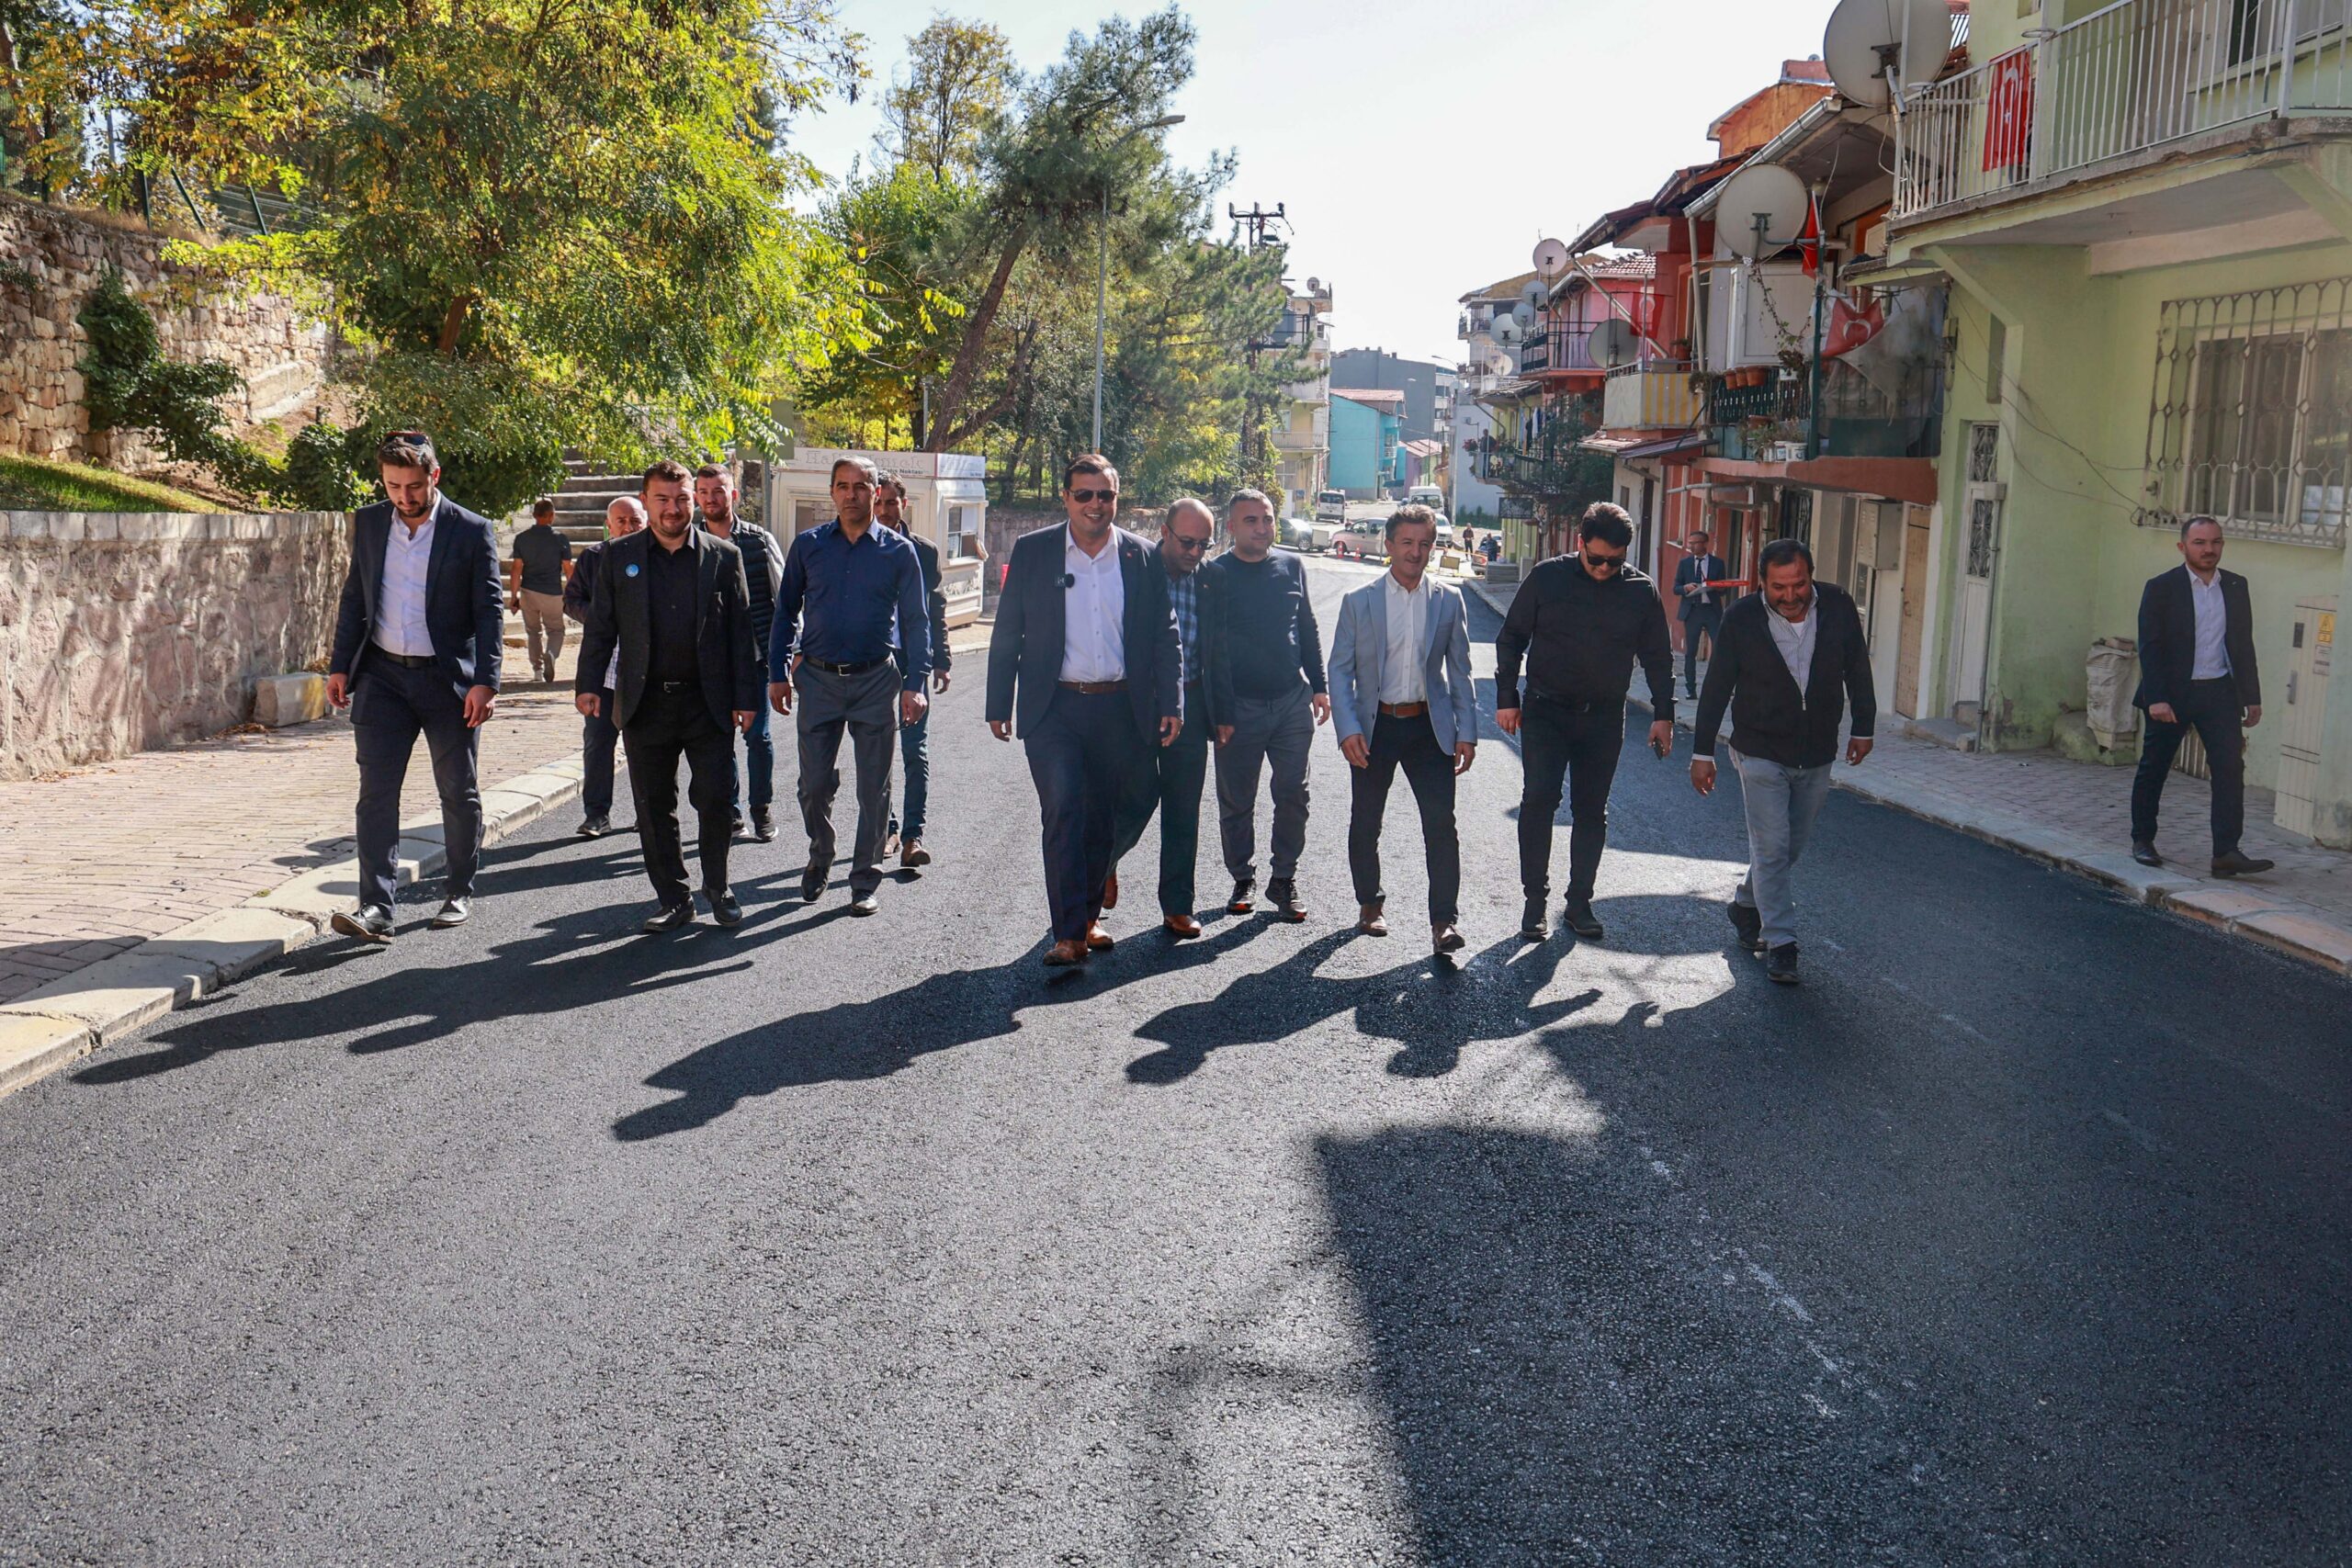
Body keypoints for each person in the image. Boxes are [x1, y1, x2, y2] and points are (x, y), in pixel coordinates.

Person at [985, 455, 1181, 966]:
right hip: (1054, 709)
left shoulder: (1141, 557)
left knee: (1107, 819)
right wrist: (997, 701)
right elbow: (1008, 631)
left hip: (1121, 709)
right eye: (1085, 494)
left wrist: (1172, 700)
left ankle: (1088, 915)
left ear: (1118, 499)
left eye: (1106, 495)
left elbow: (1165, 633)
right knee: (1066, 810)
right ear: (1066, 498)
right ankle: (1069, 932)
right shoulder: (1034, 552)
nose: (1096, 504)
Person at [323, 430, 503, 942]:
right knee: (375, 794)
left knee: (457, 789)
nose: (405, 497)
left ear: (434, 477)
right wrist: (341, 665)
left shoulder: (470, 530)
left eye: (414, 486)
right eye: (393, 486)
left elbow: (489, 611)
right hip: (381, 676)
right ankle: (376, 908)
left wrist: (486, 681)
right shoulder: (372, 522)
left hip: (447, 681)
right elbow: (355, 595)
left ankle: (458, 890)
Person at [575, 460, 763, 931]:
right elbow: (600, 629)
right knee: (654, 807)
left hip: (708, 702)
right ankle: (674, 897)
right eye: (662, 499)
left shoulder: (722, 556)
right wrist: (589, 686)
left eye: (682, 499)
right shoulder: (618, 558)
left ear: (693, 501)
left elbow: (741, 634)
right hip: (645, 704)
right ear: (647, 501)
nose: (673, 508)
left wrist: (746, 697)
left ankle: (719, 888)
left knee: (716, 799)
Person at [1690, 536, 1876, 986]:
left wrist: (1863, 726)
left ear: (1810, 576)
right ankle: (1781, 943)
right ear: (1762, 584)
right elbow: (1716, 687)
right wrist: (1702, 752)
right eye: (1779, 588)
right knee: (1772, 847)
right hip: (1758, 748)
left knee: (1789, 847)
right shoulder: (1740, 619)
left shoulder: (1837, 606)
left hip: (1816, 750)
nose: (1790, 596)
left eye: (1799, 584)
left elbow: (1857, 666)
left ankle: (1745, 904)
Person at [1494, 502, 1675, 942]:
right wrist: (1506, 698)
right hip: (1545, 711)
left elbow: (1657, 657)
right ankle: (1534, 903)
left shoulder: (1640, 590)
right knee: (1539, 800)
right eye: (1595, 559)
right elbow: (1512, 637)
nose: (1604, 568)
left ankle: (1579, 904)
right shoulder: (1547, 577)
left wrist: (1664, 715)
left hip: (1605, 717)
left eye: (1615, 561)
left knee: (1592, 811)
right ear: (1580, 544)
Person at [771, 456, 931, 917]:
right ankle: (821, 854)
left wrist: (915, 682)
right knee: (813, 785)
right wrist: (778, 672)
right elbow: (785, 613)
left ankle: (864, 879)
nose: (851, 494)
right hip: (817, 681)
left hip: (876, 680)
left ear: (876, 492)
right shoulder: (809, 546)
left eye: (860, 486)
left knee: (874, 789)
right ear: (832, 492)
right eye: (842, 486)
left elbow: (916, 621)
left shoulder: (898, 552)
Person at [1327, 505, 1476, 954]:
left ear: (1434, 547)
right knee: (1366, 820)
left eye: (1424, 544)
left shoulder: (1448, 600)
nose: (1416, 552)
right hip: (1376, 728)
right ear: (1388, 545)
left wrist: (1466, 731)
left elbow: (1461, 670)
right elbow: (1340, 670)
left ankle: (1443, 922)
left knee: (1441, 825)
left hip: (1430, 729)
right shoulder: (1360, 602)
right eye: (1407, 543)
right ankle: (1370, 904)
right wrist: (1347, 727)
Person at [1201, 488, 1329, 922]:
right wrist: (1218, 710)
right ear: (1231, 527)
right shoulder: (1215, 573)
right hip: (1238, 707)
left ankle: (1283, 879)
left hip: (1291, 701)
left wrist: (1319, 685)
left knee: (1294, 793)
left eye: (1268, 518)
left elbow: (1307, 626)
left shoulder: (1291, 565)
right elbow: (1208, 647)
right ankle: (1243, 878)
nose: (1262, 527)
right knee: (1237, 800)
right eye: (1251, 520)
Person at [2131, 515, 2271, 876]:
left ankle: (2226, 851)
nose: (2209, 549)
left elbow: (2243, 646)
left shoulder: (2237, 586)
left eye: (2216, 542)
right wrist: (2157, 697)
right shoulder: (2162, 587)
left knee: (2229, 768)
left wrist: (2251, 696)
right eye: (2200, 543)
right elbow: (2150, 646)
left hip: (2219, 691)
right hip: (2172, 695)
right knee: (2154, 767)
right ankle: (2143, 840)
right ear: (2183, 547)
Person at [1108, 497, 1217, 938]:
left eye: (1204, 545)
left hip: (1189, 706)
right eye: (1187, 542)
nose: (1194, 553)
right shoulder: (1133, 569)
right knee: (1132, 800)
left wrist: (1220, 713)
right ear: (1165, 533)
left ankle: (1177, 906)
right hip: (1136, 707)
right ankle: (1101, 868)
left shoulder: (1210, 581)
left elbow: (1220, 652)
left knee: (1183, 809)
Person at [693, 464, 785, 842]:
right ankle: (730, 812)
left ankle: (760, 808)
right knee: (719, 741)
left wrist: (785, 658)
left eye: (719, 491)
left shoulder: (760, 541)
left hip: (756, 658)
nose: (712, 498)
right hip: (709, 664)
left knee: (758, 738)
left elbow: (783, 599)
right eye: (704, 492)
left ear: (733, 495)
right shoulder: (689, 542)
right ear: (697, 497)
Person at [876, 472, 953, 870]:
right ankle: (886, 828)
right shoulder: (860, 547)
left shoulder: (924, 551)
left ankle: (912, 835)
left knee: (914, 750)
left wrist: (942, 659)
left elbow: (934, 608)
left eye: (892, 502)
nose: (886, 510)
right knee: (878, 752)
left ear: (904, 504)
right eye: (879, 502)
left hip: (912, 663)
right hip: (871, 665)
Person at [562, 495, 645, 838]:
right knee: (598, 743)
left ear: (646, 521)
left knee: (648, 748)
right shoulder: (594, 558)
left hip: (646, 673)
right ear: (608, 525)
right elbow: (572, 601)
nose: (627, 527)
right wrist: (601, 620)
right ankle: (596, 814)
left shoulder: (657, 556)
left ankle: (650, 813)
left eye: (634, 521)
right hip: (605, 672)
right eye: (620, 521)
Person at [507, 497, 572, 683]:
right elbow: (568, 568)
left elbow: (516, 569)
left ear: (535, 515)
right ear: (551, 516)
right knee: (556, 630)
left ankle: (537, 669)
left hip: (529, 591)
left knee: (533, 631)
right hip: (552, 592)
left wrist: (514, 596)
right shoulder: (560, 539)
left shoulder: (522, 538)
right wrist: (574, 591)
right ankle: (551, 653)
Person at [1672, 529, 1725, 700]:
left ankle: (1720, 686)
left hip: (1711, 611)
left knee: (1721, 649)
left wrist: (1716, 586)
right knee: (1691, 652)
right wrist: (1685, 588)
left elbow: (1723, 589)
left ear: (1704, 544)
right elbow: (1675, 588)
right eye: (1690, 543)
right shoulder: (1685, 564)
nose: (1691, 546)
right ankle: (1690, 689)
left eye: (1694, 543)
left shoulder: (1718, 563)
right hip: (1692, 611)